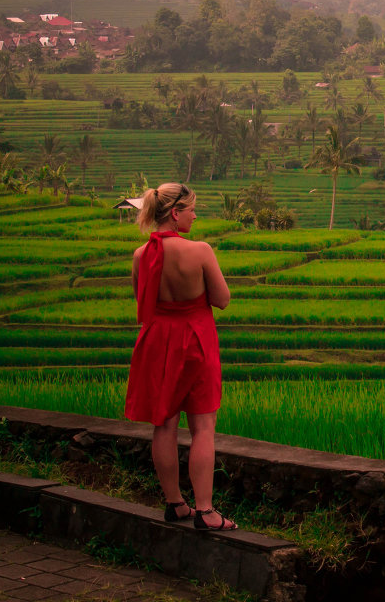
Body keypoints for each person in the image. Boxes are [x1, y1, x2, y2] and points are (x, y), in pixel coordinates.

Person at [125, 182, 237, 531]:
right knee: (203, 426)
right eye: (191, 209)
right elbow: (222, 298)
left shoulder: (141, 255)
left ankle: (175, 504)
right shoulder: (200, 250)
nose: (195, 214)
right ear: (175, 213)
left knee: (164, 424)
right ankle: (205, 511)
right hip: (195, 340)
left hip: (158, 341)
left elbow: (141, 298)